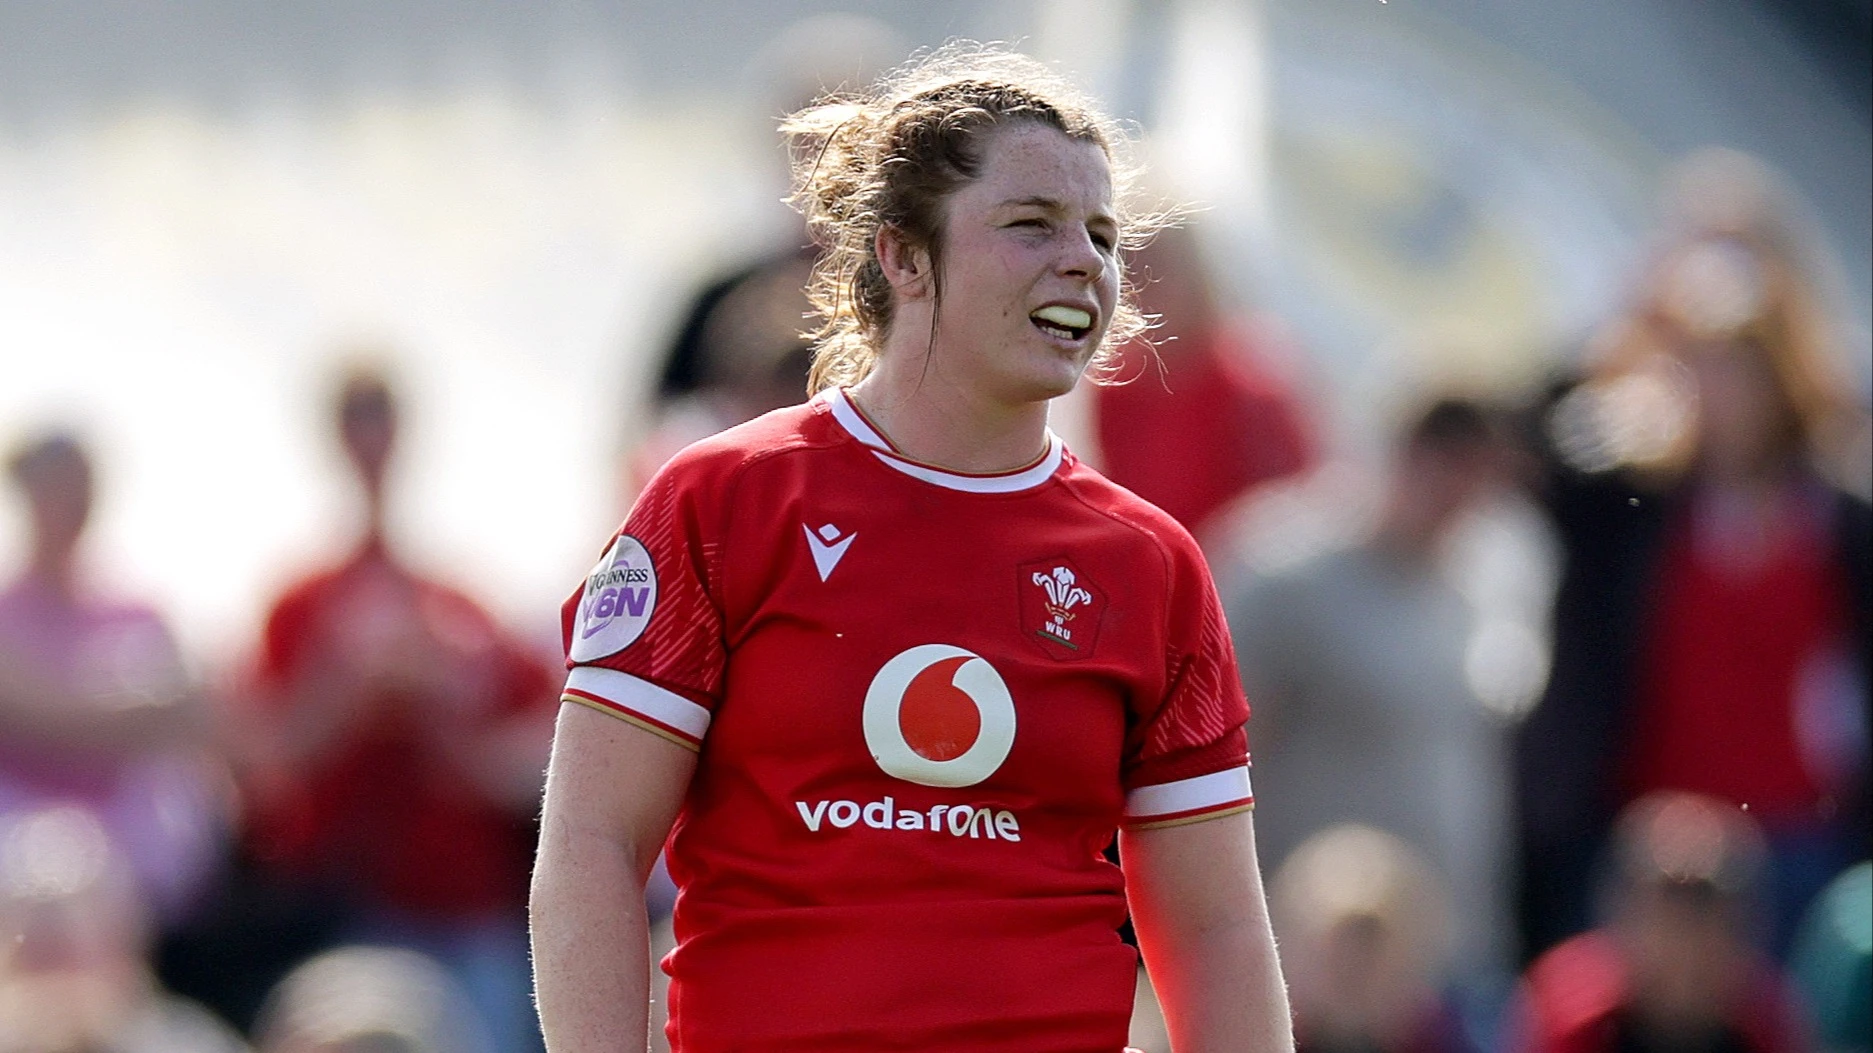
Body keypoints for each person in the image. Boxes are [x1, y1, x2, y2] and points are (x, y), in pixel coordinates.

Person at [531, 43, 1294, 1053]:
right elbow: (591, 843)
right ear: (902, 255)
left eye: (1102, 235)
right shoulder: (721, 503)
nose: (1085, 261)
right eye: (1031, 225)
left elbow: (1216, 932)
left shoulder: (1149, 564)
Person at [1512, 151, 1871, 957]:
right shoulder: (1630, 497)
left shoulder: (1840, 512)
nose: (1715, 387)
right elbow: (1532, 443)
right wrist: (1639, 312)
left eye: (1738, 363)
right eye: (1698, 361)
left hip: (1790, 843)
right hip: (1638, 829)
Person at [195, 364, 556, 1050]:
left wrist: (443, 710)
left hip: (468, 907)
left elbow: (543, 759)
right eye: (357, 420)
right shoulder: (299, 603)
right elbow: (258, 766)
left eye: (381, 419)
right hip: (344, 909)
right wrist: (347, 688)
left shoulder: (463, 602)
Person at [1228, 396, 1517, 993]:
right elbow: (1218, 749)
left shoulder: (1496, 571)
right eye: (1435, 450)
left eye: (1472, 458)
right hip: (1319, 958)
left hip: (1452, 944)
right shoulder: (1284, 570)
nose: (1450, 479)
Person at [0, 431, 223, 928]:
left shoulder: (137, 610)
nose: (73, 501)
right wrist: (133, 715)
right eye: (58, 485)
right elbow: (38, 718)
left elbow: (196, 721)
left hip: (132, 874)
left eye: (82, 486)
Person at [1505, 792, 1810, 1053]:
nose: (1686, 946)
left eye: (1705, 915)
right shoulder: (1571, 1015)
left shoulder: (1767, 1024)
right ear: (1623, 916)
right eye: (1668, 918)